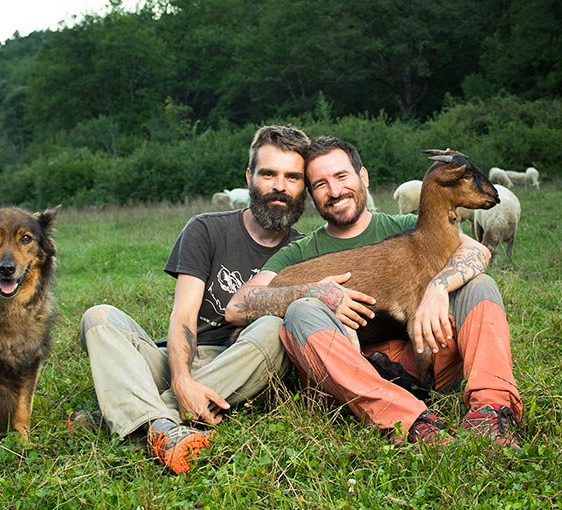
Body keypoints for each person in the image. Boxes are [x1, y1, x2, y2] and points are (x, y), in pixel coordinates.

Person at [225, 136, 523, 448]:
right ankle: (412, 423)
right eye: (321, 184)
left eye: (341, 177)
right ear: (312, 194)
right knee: (302, 311)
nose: (335, 191)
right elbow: (238, 307)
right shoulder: (299, 252)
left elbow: (478, 253)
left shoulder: (414, 226)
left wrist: (437, 287)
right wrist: (315, 291)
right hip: (347, 377)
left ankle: (492, 412)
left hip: (420, 360)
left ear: (362, 176)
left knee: (480, 284)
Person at [73, 125, 310, 474]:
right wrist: (182, 379)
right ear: (249, 176)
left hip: (242, 365)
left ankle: (140, 418)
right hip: (180, 358)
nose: (279, 186)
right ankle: (163, 423)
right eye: (268, 174)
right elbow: (184, 316)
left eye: (292, 177)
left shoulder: (305, 250)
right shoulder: (206, 228)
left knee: (275, 329)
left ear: (304, 186)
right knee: (99, 317)